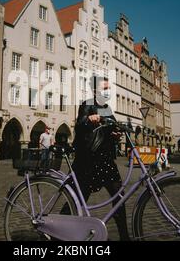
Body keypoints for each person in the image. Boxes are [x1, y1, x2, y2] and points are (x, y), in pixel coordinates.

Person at [67, 75, 130, 241]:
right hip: (88, 161)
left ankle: (125, 237)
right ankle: (58, 230)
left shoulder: (107, 109)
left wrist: (115, 134)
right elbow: (79, 125)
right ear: (95, 90)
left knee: (119, 197)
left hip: (105, 160)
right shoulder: (88, 104)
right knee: (77, 200)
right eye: (105, 88)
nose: (108, 91)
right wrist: (89, 119)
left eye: (109, 88)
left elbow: (109, 129)